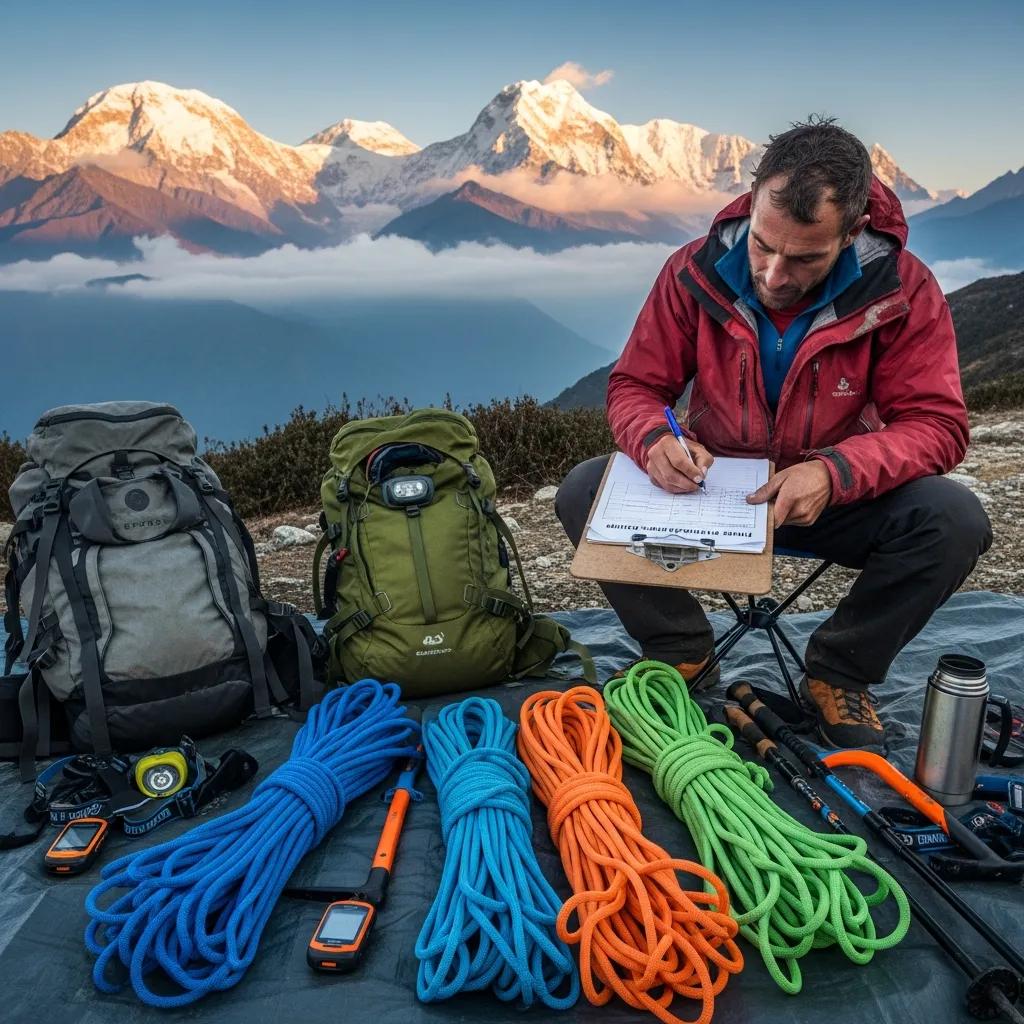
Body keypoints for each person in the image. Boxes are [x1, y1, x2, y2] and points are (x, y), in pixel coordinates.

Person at [555, 118, 991, 752]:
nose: (775, 274)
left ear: (854, 229)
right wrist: (655, 442)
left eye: (806, 257)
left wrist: (836, 471)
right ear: (751, 197)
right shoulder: (693, 271)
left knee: (953, 519)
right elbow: (634, 387)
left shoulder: (903, 288)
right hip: (711, 492)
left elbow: (938, 424)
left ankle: (840, 671)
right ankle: (679, 647)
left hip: (832, 496)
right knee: (582, 491)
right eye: (763, 245)